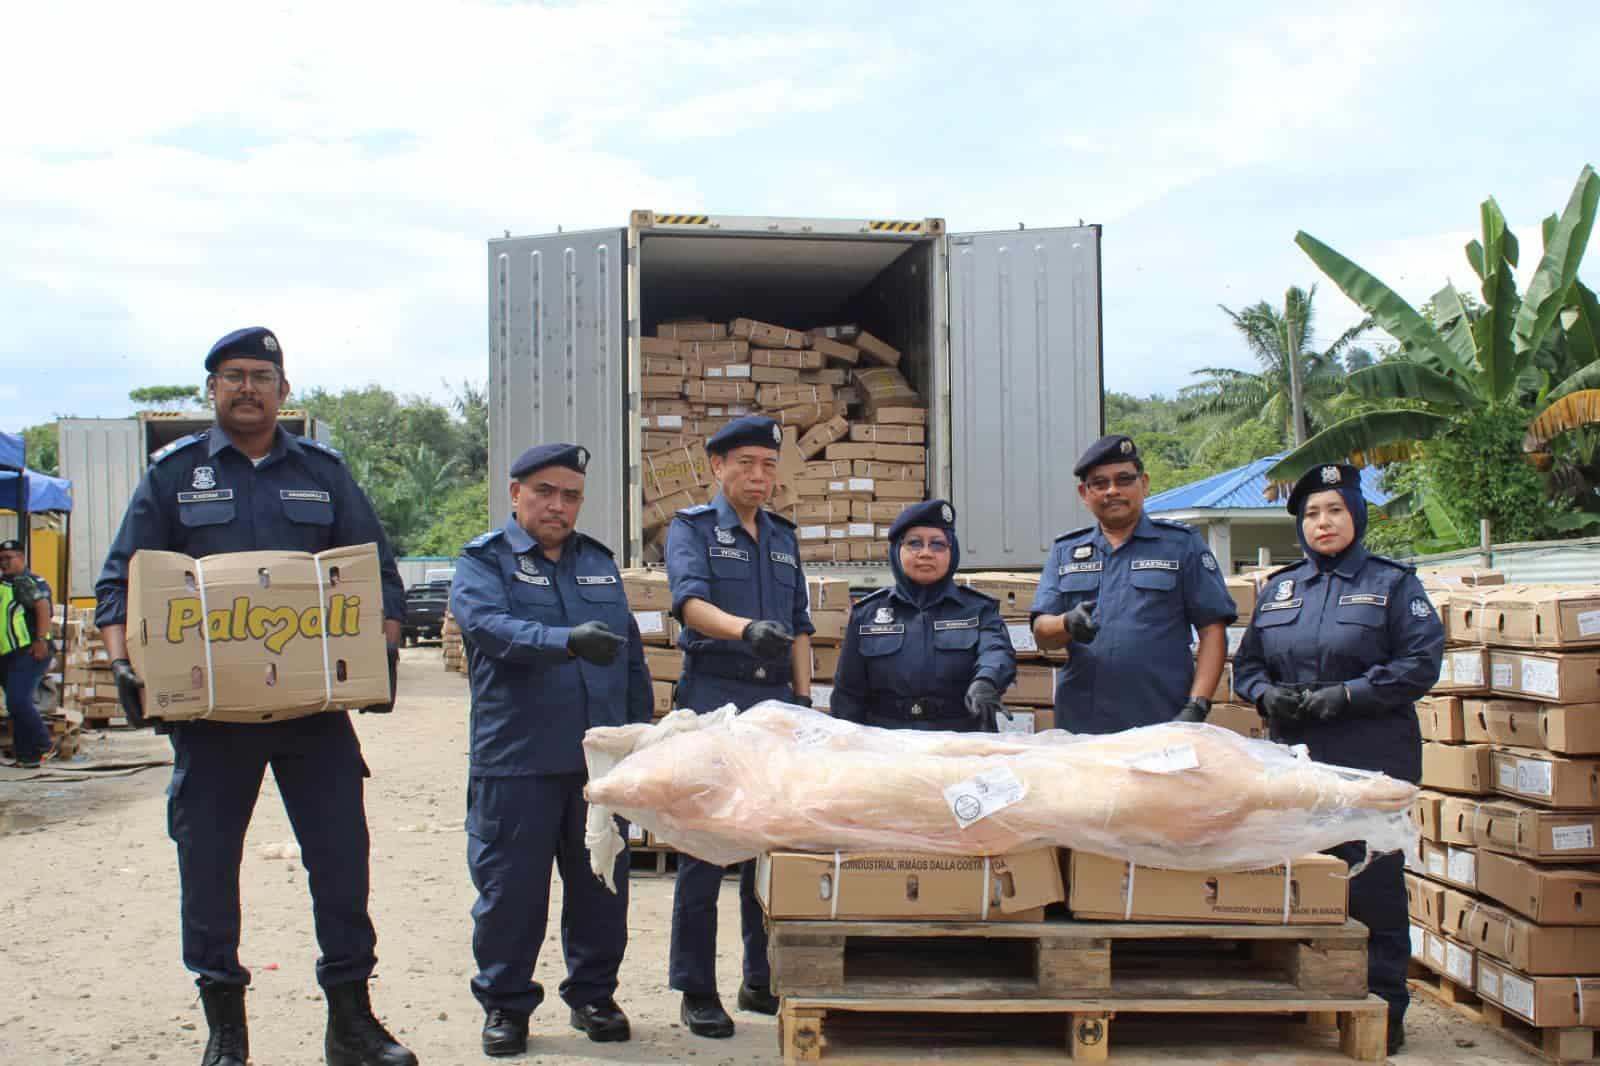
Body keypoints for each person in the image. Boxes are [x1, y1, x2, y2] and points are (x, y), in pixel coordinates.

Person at [95, 327, 416, 1066]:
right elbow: (121, 584)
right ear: (211, 389)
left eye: (262, 375)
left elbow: (378, 575)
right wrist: (123, 667)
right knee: (208, 866)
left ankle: (352, 1021)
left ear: (284, 390)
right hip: (212, 719)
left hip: (314, 716)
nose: (248, 388)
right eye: (233, 375)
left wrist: (385, 652)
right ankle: (226, 1030)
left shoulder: (325, 475)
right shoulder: (173, 477)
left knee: (341, 861)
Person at [449, 442, 653, 1057]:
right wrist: (564, 640)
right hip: (517, 759)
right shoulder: (483, 562)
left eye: (570, 496)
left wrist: (642, 735)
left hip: (598, 762)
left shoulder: (598, 563)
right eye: (544, 492)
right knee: (511, 893)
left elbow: (631, 656)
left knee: (600, 887)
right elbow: (487, 627)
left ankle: (593, 995)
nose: (558, 506)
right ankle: (506, 1006)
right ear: (516, 494)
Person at [1233, 462, 1443, 1056]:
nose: (1322, 524)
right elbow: (1248, 666)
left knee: (1372, 883)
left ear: (1356, 515)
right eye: (1311, 515)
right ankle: (1301, 1000)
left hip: (1370, 755)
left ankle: (1383, 1006)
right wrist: (1263, 694)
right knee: (1299, 878)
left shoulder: (1394, 585)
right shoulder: (1279, 589)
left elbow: (1419, 663)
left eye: (1334, 511)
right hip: (1295, 760)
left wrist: (1349, 694)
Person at [664, 414, 813, 1039]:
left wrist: (805, 700)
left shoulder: (783, 536)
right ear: (716, 467)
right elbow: (689, 604)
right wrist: (744, 630)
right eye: (745, 464)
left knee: (766, 848)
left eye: (768, 466)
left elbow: (801, 622)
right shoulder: (690, 529)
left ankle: (760, 978)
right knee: (704, 846)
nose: (759, 476)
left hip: (774, 704)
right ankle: (697, 987)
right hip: (713, 698)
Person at [1030, 435, 1237, 733]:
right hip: (1082, 722)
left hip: (1163, 717)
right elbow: (1042, 633)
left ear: (1144, 483)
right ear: (1084, 493)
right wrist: (1067, 623)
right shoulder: (1065, 552)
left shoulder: (1181, 545)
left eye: (1124, 479)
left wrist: (1198, 704)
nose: (1112, 490)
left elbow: (1213, 631)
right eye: (1100, 483)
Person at [832, 499, 1016, 731]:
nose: (926, 553)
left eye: (938, 545)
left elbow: (997, 652)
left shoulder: (979, 609)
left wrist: (986, 681)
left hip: (962, 738)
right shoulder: (866, 614)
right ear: (896, 551)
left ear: (953, 552)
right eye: (914, 543)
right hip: (887, 741)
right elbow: (848, 694)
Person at [0, 538, 56, 767]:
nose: (3, 563)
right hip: (7, 654)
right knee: (15, 706)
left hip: (30, 651)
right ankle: (27, 756)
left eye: (8, 558)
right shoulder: (4, 583)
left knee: (18, 701)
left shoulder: (30, 581)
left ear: (21, 558)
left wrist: (41, 641)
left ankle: (45, 743)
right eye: (0, 559)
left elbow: (42, 607)